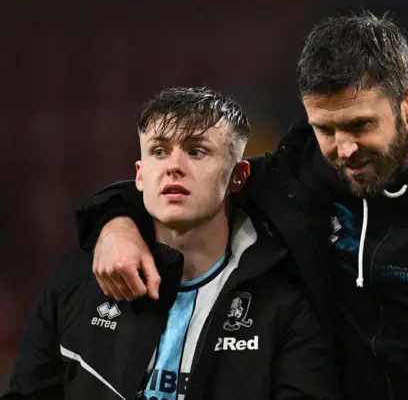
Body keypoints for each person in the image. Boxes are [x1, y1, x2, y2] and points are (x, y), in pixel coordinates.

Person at [74, 13, 408, 400]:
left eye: (360, 125)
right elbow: (185, 185)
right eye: (325, 129)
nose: (343, 149)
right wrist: (114, 220)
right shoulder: (297, 182)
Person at [3, 87, 337, 400]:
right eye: (159, 151)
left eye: (196, 151)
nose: (174, 167)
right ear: (139, 174)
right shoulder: (74, 282)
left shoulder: (283, 302)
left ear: (238, 176)